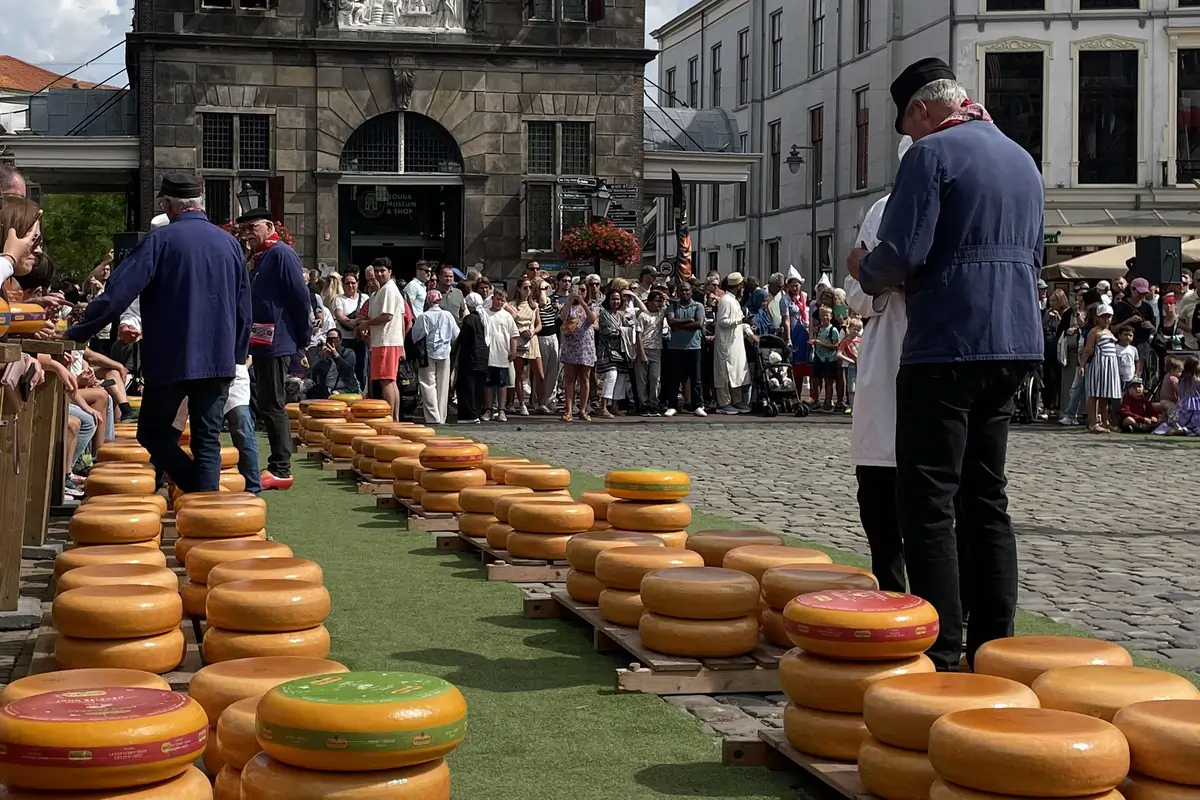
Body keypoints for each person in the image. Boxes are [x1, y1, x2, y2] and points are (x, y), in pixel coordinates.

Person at [849, 58, 1043, 670]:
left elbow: (899, 255)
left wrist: (861, 265)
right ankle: (996, 641)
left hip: (947, 342)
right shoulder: (1021, 159)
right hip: (1013, 341)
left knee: (927, 500)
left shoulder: (930, 156)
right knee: (987, 498)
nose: (908, 134)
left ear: (923, 111)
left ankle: (943, 645)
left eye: (908, 122)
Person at [67, 173, 251, 494]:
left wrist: (80, 330)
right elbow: (244, 307)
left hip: (171, 359)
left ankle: (197, 491)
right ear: (200, 203)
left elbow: (118, 292)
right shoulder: (230, 244)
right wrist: (235, 356)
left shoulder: (160, 240)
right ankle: (206, 507)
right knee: (207, 439)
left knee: (151, 433)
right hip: (218, 359)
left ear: (167, 205)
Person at [239, 208, 310, 491]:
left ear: (269, 226)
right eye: (243, 229)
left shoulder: (280, 254)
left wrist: (302, 337)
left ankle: (281, 467)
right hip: (263, 340)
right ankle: (278, 464)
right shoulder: (261, 257)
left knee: (274, 404)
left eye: (251, 227)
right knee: (268, 402)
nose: (246, 234)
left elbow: (299, 297)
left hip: (278, 339)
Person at [358, 259, 407, 420]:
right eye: (377, 271)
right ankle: (394, 418)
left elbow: (387, 316)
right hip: (383, 340)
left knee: (386, 380)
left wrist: (367, 323)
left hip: (386, 341)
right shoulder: (381, 291)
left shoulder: (388, 290)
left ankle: (391, 419)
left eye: (382, 271)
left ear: (390, 272)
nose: (379, 274)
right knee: (389, 381)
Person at [410, 289, 459, 425]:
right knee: (443, 386)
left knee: (427, 384)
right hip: (445, 353)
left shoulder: (423, 317)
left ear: (427, 301)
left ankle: (433, 417)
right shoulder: (448, 315)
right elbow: (456, 334)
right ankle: (442, 416)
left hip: (427, 353)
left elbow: (416, 336)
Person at [662, 279, 706, 417]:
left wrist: (679, 326)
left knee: (696, 379)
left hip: (694, 347)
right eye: (682, 290)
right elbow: (671, 322)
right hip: (676, 347)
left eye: (687, 290)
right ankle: (672, 405)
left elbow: (698, 324)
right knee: (674, 378)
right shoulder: (673, 307)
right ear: (678, 292)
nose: (685, 293)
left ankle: (698, 405)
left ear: (691, 292)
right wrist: (688, 321)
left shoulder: (698, 306)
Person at [558, 285, 598, 423]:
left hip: (585, 346)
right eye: (578, 290)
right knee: (569, 378)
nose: (580, 292)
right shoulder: (567, 305)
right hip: (570, 346)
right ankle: (568, 410)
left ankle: (583, 410)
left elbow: (593, 320)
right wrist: (570, 302)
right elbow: (562, 318)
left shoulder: (592, 305)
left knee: (585, 378)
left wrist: (583, 303)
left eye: (583, 290)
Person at [713, 272, 751, 414]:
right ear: (739, 286)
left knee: (736, 372)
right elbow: (722, 322)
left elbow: (740, 320)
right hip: (726, 344)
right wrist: (740, 321)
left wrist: (748, 330)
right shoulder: (726, 301)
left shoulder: (734, 300)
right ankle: (723, 402)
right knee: (725, 373)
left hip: (735, 343)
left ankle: (736, 400)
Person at [1081, 303, 1121, 433]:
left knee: (1105, 395)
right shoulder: (1094, 332)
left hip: (1110, 366)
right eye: (1103, 316)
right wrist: (1081, 365)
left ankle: (1105, 421)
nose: (1106, 319)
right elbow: (1087, 350)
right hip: (1098, 365)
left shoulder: (1110, 332)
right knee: (1094, 394)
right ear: (1097, 318)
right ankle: (1093, 422)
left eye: (1109, 316)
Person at [483, 288, 519, 422]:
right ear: (492, 298)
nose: (499, 302)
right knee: (488, 383)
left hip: (502, 354)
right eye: (497, 299)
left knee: (502, 383)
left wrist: (513, 351)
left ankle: (501, 410)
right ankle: (488, 409)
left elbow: (513, 335)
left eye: (502, 300)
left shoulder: (507, 316)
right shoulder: (485, 314)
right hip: (488, 354)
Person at [456, 292, 489, 424]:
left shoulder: (469, 319)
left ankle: (468, 415)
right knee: (478, 387)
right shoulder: (484, 317)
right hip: (483, 357)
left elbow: (464, 338)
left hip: (470, 357)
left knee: (467, 386)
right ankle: (477, 411)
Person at [307, 329, 360, 398]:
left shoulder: (348, 353)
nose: (332, 341)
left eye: (335, 339)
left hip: (347, 388)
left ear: (340, 341)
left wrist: (336, 356)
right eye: (329, 339)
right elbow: (313, 371)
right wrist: (324, 359)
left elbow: (348, 370)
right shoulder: (322, 354)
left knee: (334, 395)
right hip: (328, 389)